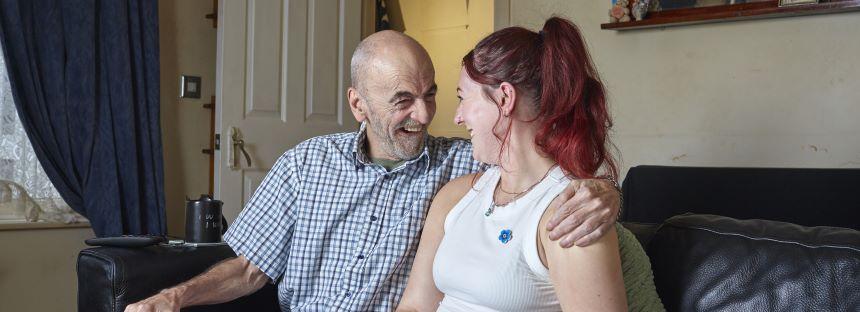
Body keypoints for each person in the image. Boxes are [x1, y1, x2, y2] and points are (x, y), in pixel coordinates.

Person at [125, 30, 622, 312]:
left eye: (432, 95)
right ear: (358, 104)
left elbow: (535, 168)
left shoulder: (457, 165)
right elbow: (252, 266)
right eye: (403, 101)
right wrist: (174, 298)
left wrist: (602, 189)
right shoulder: (306, 164)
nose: (426, 116)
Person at [397, 17, 664, 311]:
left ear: (505, 99)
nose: (457, 117)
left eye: (463, 99)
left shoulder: (571, 217)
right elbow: (415, 306)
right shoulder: (454, 197)